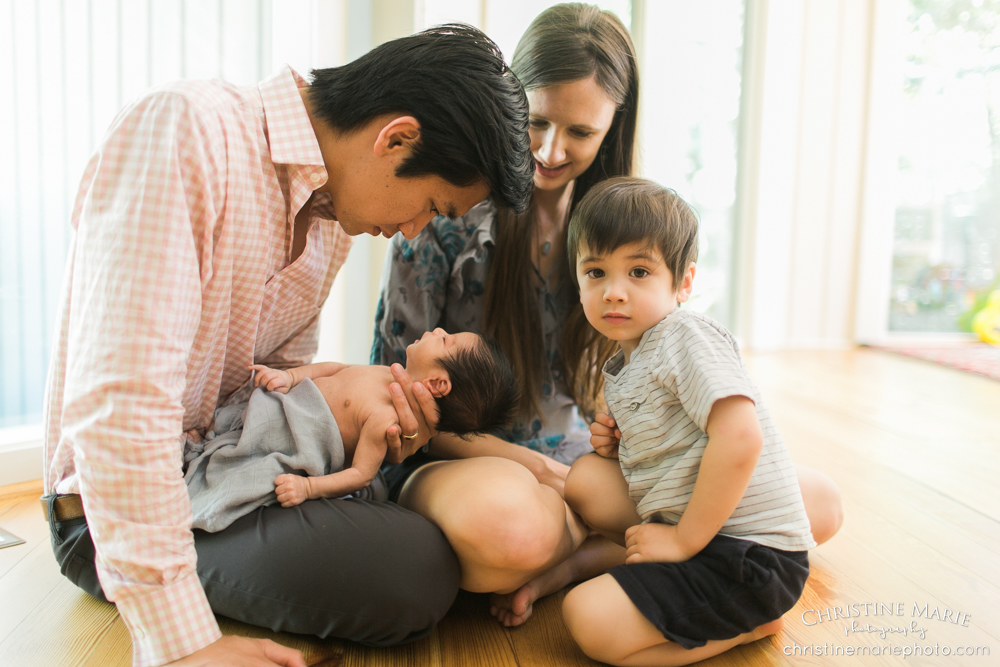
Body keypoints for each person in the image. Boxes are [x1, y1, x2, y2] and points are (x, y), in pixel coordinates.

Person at [41, 24, 532, 667]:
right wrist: (183, 644)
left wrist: (360, 424)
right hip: (111, 515)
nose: (413, 233)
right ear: (397, 138)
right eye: (432, 207)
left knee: (439, 542)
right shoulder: (188, 130)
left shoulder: (329, 228)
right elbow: (118, 406)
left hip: (231, 472)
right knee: (416, 572)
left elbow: (274, 389)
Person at [372, 1, 842, 627]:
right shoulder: (442, 214)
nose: (549, 149)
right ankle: (595, 547)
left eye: (580, 133)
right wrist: (535, 468)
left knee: (816, 502)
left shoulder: (620, 237)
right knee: (510, 528)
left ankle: (578, 553)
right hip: (461, 460)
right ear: (511, 100)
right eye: (536, 121)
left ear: (613, 127)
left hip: (579, 471)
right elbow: (400, 406)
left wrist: (620, 446)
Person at [561, 177, 814, 665]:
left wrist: (682, 540)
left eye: (638, 271)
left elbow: (740, 437)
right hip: (708, 536)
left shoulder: (685, 336)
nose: (614, 292)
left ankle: (750, 623)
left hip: (752, 557)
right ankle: (703, 596)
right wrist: (622, 446)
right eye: (596, 272)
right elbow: (673, 447)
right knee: (588, 477)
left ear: (684, 283)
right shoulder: (624, 362)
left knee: (588, 618)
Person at [185, 329, 518, 532]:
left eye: (445, 340)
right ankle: (211, 445)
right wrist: (291, 377)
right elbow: (339, 369)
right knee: (232, 431)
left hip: (295, 437)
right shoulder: (390, 374)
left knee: (239, 475)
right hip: (285, 407)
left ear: (437, 383)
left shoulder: (386, 419)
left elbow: (360, 473)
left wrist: (308, 487)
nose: (438, 330)